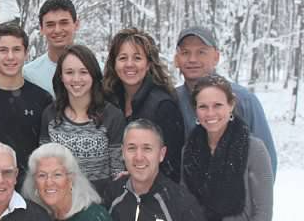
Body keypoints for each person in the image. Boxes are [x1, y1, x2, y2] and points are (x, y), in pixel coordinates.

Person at [182, 75, 277, 221]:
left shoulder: (254, 149)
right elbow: (187, 209)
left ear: (231, 105)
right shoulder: (189, 150)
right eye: (203, 106)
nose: (210, 113)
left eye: (218, 105)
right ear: (195, 110)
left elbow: (263, 212)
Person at [173, 26, 277, 175]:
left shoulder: (243, 100)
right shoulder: (172, 100)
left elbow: (266, 163)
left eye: (201, 52)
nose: (192, 59)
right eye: (185, 53)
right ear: (177, 59)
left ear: (216, 57)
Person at [0, 23, 53, 187]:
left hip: (29, 189)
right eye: (3, 50)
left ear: (26, 54)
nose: (10, 57)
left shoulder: (41, 99)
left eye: (16, 50)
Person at [40, 44, 126, 196]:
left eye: (83, 72)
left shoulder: (112, 116)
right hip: (59, 204)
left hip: (100, 206)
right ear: (61, 76)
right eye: (69, 72)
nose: (76, 79)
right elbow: (44, 166)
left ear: (93, 74)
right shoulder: (50, 115)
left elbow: (117, 172)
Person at [104, 28, 184, 182]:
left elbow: (171, 166)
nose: (129, 64)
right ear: (114, 63)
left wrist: (138, 177)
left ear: (148, 64)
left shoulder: (163, 106)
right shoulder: (109, 101)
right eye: (122, 58)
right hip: (113, 193)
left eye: (137, 58)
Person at [24, 0, 80, 97]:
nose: (57, 30)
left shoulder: (97, 70)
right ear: (41, 29)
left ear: (76, 25)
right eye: (50, 25)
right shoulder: (28, 75)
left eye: (64, 23)